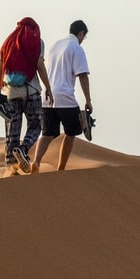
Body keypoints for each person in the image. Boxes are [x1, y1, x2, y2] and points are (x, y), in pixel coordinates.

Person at [31, 20, 92, 172]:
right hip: (65, 96)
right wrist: (88, 100)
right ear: (81, 33)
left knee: (47, 134)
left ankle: (36, 161)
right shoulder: (76, 48)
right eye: (83, 37)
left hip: (48, 96)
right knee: (71, 132)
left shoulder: (55, 45)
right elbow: (82, 75)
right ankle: (61, 168)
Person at [0, 17, 53, 176]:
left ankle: (11, 168)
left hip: (10, 93)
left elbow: (0, 68)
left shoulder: (7, 43)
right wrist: (48, 87)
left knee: (12, 132)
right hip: (32, 91)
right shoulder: (37, 42)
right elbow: (40, 65)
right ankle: (23, 149)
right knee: (35, 126)